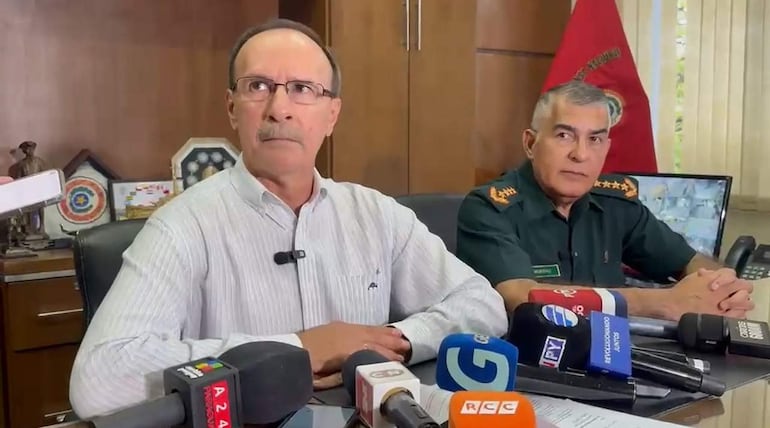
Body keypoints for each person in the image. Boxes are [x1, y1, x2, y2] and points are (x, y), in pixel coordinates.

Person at [69, 19, 507, 418]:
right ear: (231, 108)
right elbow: (99, 378)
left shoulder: (376, 214)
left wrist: (395, 339)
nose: (279, 108)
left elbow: (482, 305)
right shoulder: (182, 225)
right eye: (258, 86)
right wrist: (296, 349)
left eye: (302, 88)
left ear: (332, 115)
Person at [456, 80, 753, 322]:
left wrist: (721, 286)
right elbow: (522, 297)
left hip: (618, 355)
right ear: (531, 143)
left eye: (595, 139)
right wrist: (664, 302)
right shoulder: (488, 208)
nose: (581, 154)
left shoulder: (615, 203)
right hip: (530, 362)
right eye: (564, 136)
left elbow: (688, 261)